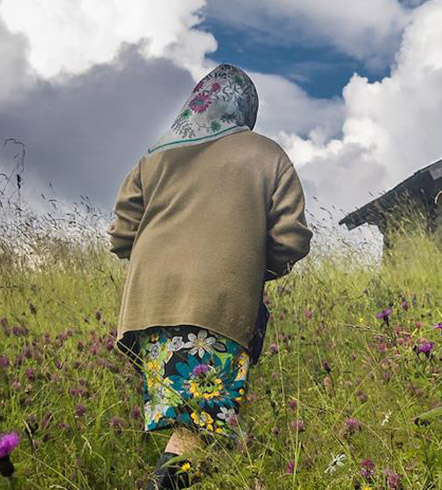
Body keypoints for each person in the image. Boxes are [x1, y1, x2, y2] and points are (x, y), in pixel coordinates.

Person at [109, 63, 311, 490]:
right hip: (216, 307)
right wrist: (249, 266)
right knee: (197, 430)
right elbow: (291, 239)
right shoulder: (266, 153)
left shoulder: (155, 155)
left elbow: (121, 235)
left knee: (199, 427)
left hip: (149, 308)